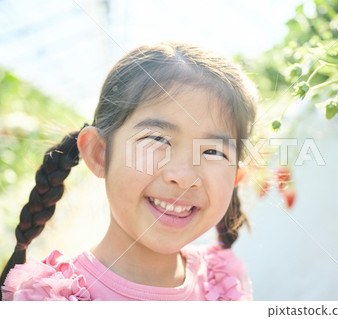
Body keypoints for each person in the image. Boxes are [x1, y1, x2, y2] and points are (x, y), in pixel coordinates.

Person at [0, 42, 257, 301]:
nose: (185, 176)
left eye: (213, 151)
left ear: (236, 177)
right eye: (157, 139)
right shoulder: (48, 301)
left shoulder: (226, 284)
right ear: (100, 154)